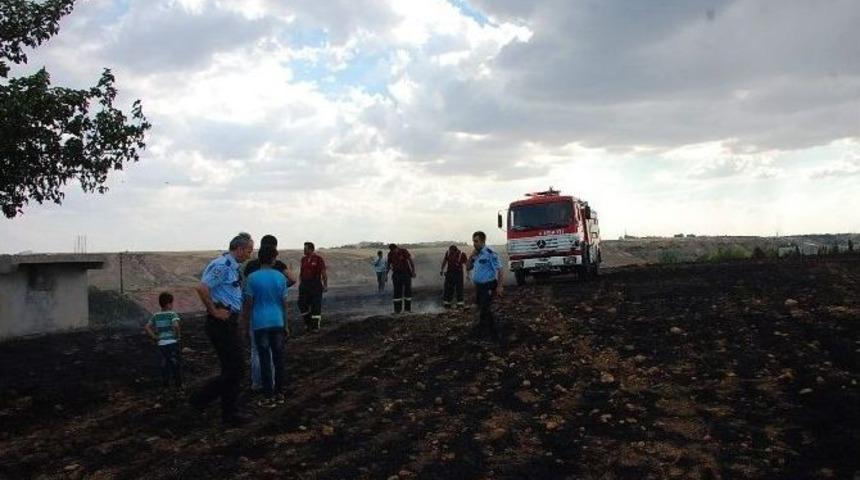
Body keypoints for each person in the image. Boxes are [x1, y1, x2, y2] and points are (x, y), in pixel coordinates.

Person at [190, 232, 254, 427]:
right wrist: (215, 311)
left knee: (232, 369)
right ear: (240, 249)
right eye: (249, 251)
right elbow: (202, 288)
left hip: (228, 321)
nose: (250, 255)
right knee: (237, 369)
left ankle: (229, 414)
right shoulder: (222, 266)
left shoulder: (232, 266)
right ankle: (200, 399)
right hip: (221, 323)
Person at [242, 244, 293, 407]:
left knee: (265, 360)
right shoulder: (280, 278)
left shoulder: (252, 278)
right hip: (277, 322)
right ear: (273, 259)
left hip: (259, 324)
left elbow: (248, 305)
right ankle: (280, 394)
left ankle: (268, 396)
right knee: (278, 359)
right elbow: (284, 304)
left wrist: (244, 326)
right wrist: (286, 325)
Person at [467, 231, 505, 340]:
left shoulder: (490, 253)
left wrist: (500, 286)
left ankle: (489, 334)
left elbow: (500, 270)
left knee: (485, 308)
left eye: (476, 241)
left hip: (489, 285)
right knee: (483, 308)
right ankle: (490, 331)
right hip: (479, 287)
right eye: (473, 241)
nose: (474, 243)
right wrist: (471, 256)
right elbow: (468, 267)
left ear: (483, 241)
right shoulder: (476, 254)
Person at [144, 291, 182, 390]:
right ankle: (178, 385)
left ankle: (166, 385)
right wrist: (177, 336)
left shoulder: (156, 315)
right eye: (172, 303)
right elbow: (176, 326)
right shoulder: (172, 314)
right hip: (172, 342)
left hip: (161, 343)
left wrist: (155, 337)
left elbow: (147, 327)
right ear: (169, 303)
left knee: (164, 363)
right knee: (175, 363)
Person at [298, 242, 327, 332]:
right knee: (301, 304)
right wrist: (300, 284)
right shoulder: (303, 259)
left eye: (305, 248)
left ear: (311, 249)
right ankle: (308, 322)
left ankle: (315, 327)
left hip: (315, 284)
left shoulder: (318, 259)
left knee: (316, 306)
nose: (304, 250)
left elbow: (323, 273)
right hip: (304, 285)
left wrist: (325, 285)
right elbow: (301, 272)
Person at [387, 243, 416, 314]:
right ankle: (397, 311)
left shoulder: (403, 251)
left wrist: (413, 271)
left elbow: (410, 261)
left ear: (397, 248)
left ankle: (407, 310)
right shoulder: (390, 254)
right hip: (396, 274)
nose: (393, 252)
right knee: (397, 292)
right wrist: (386, 275)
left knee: (407, 291)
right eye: (392, 251)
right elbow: (388, 264)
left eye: (394, 250)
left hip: (406, 273)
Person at [440, 245, 468, 309]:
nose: (450, 253)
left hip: (458, 274)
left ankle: (460, 304)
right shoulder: (447, 253)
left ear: (455, 251)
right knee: (448, 288)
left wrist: (468, 275)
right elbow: (445, 261)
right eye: (450, 252)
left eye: (452, 252)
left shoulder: (462, 254)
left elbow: (467, 265)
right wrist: (442, 269)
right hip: (449, 273)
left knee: (459, 289)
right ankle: (447, 304)